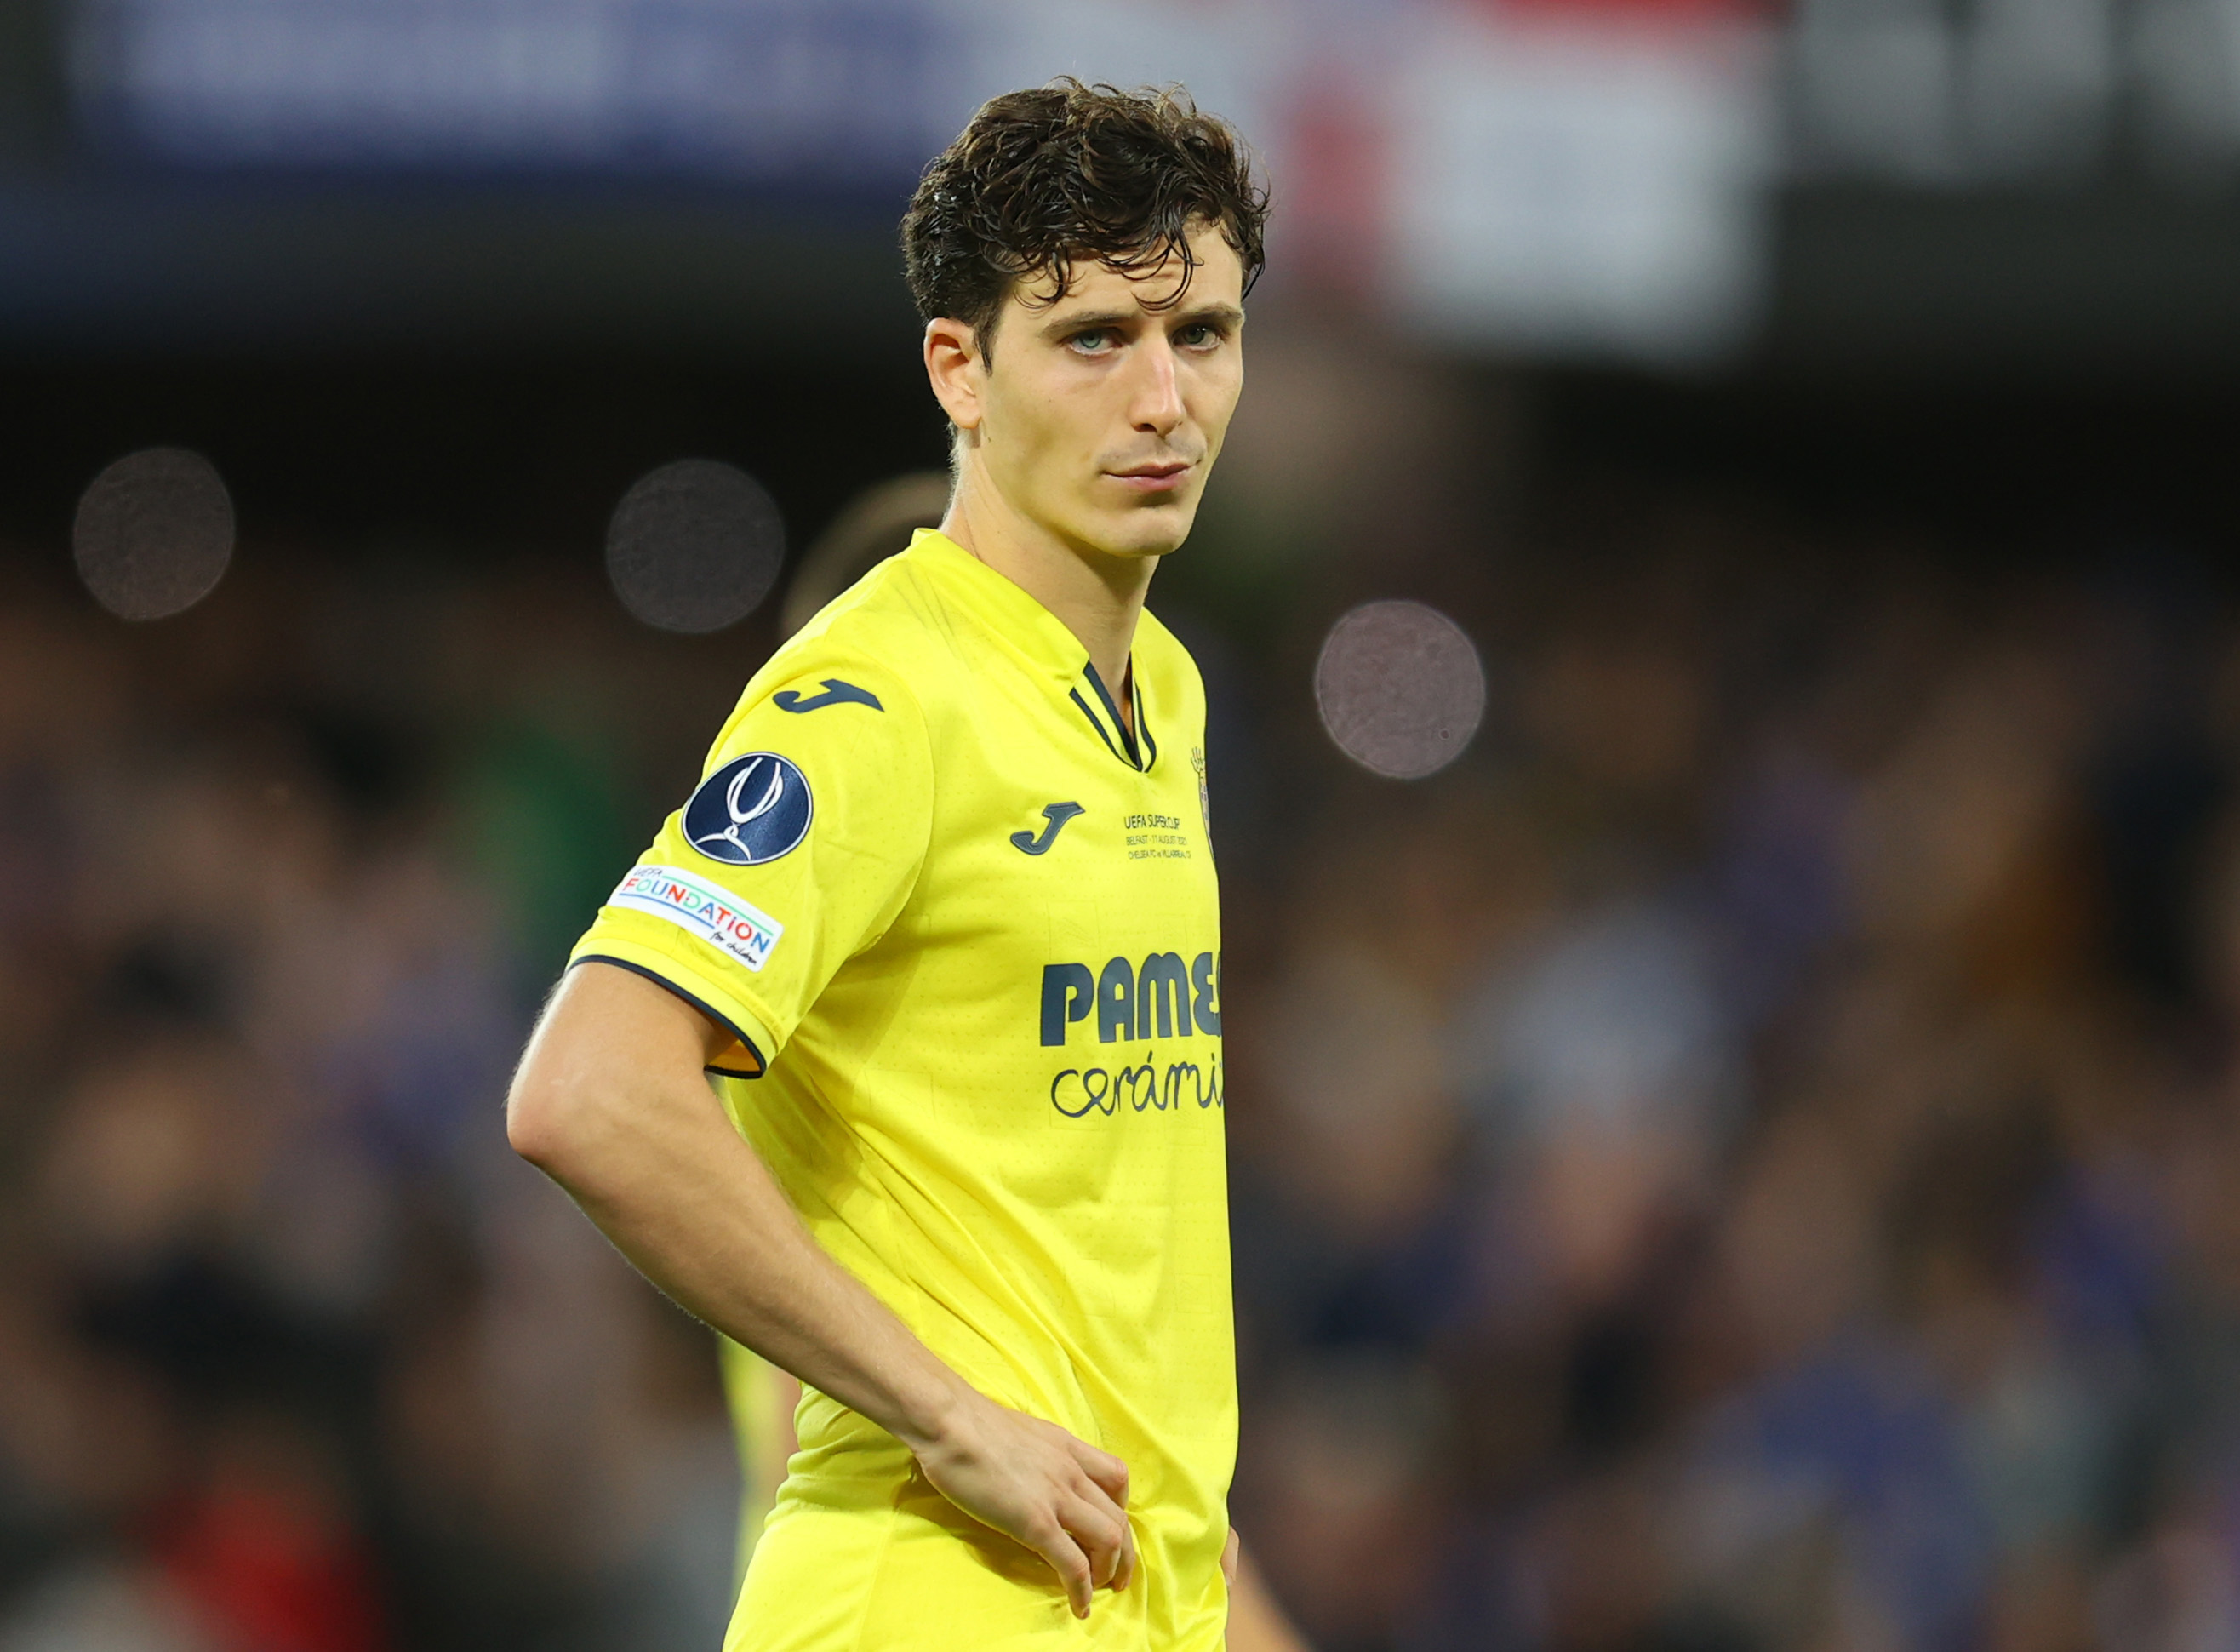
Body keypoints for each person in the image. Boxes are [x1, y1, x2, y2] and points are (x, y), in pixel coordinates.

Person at [506, 81, 1301, 1651]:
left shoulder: (1170, 695)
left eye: (1199, 334)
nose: (1162, 400)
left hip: (1129, 1601)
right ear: (962, 369)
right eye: (1092, 339)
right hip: (929, 1598)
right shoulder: (876, 695)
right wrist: (949, 1413)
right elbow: (589, 1089)